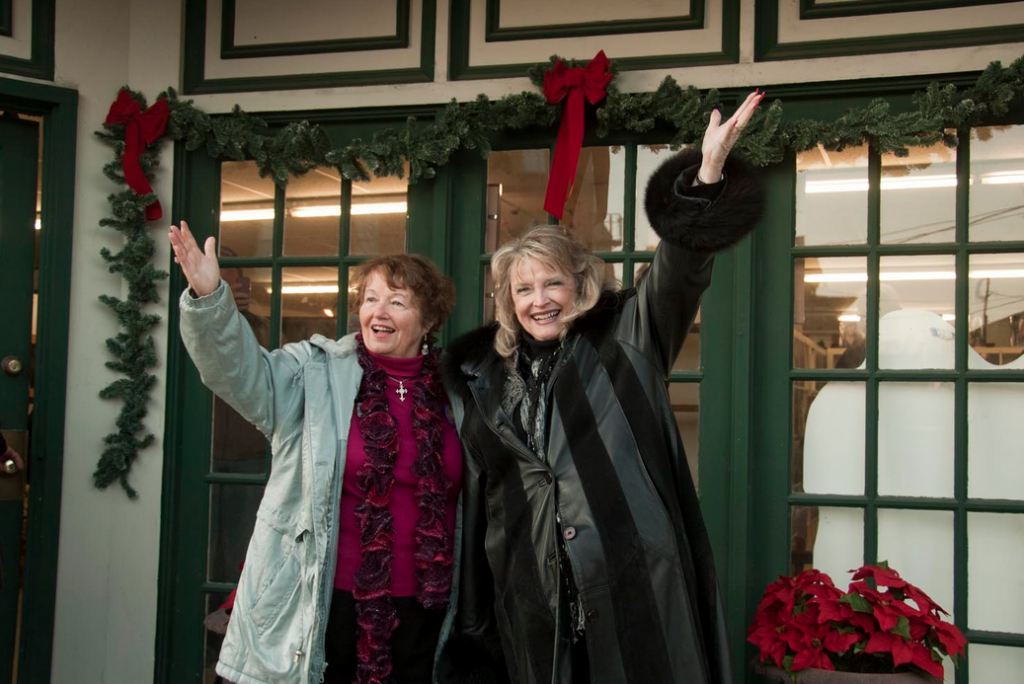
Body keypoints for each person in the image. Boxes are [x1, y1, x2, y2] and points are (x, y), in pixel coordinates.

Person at [438, 90, 766, 683]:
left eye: (552, 284)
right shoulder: (483, 379)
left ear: (580, 284)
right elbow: (484, 505)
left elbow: (681, 269)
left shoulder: (627, 337)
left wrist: (707, 174)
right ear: (507, 300)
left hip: (632, 586)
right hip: (533, 603)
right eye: (523, 289)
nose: (539, 301)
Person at [170, 221, 461, 684]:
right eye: (369, 298)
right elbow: (241, 373)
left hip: (428, 607)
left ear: (428, 321)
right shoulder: (314, 371)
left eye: (397, 301)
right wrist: (211, 302)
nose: (378, 311)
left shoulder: (460, 392)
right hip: (324, 599)